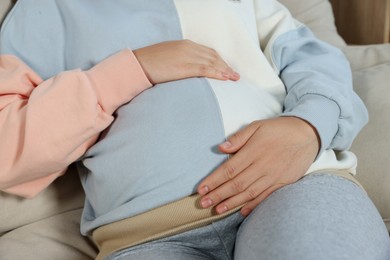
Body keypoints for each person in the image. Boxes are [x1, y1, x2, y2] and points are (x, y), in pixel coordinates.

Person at [0, 0, 389, 259]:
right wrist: (133, 70)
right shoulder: (44, 11)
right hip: (145, 237)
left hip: (294, 187)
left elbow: (315, 58)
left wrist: (308, 126)